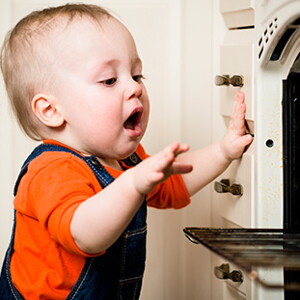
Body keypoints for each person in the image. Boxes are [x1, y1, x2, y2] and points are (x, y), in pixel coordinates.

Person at [0, 3, 253, 300]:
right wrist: (133, 184)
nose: (134, 88)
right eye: (109, 80)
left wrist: (224, 150)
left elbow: (173, 182)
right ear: (51, 110)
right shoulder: (52, 171)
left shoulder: (123, 161)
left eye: (137, 75)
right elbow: (85, 234)